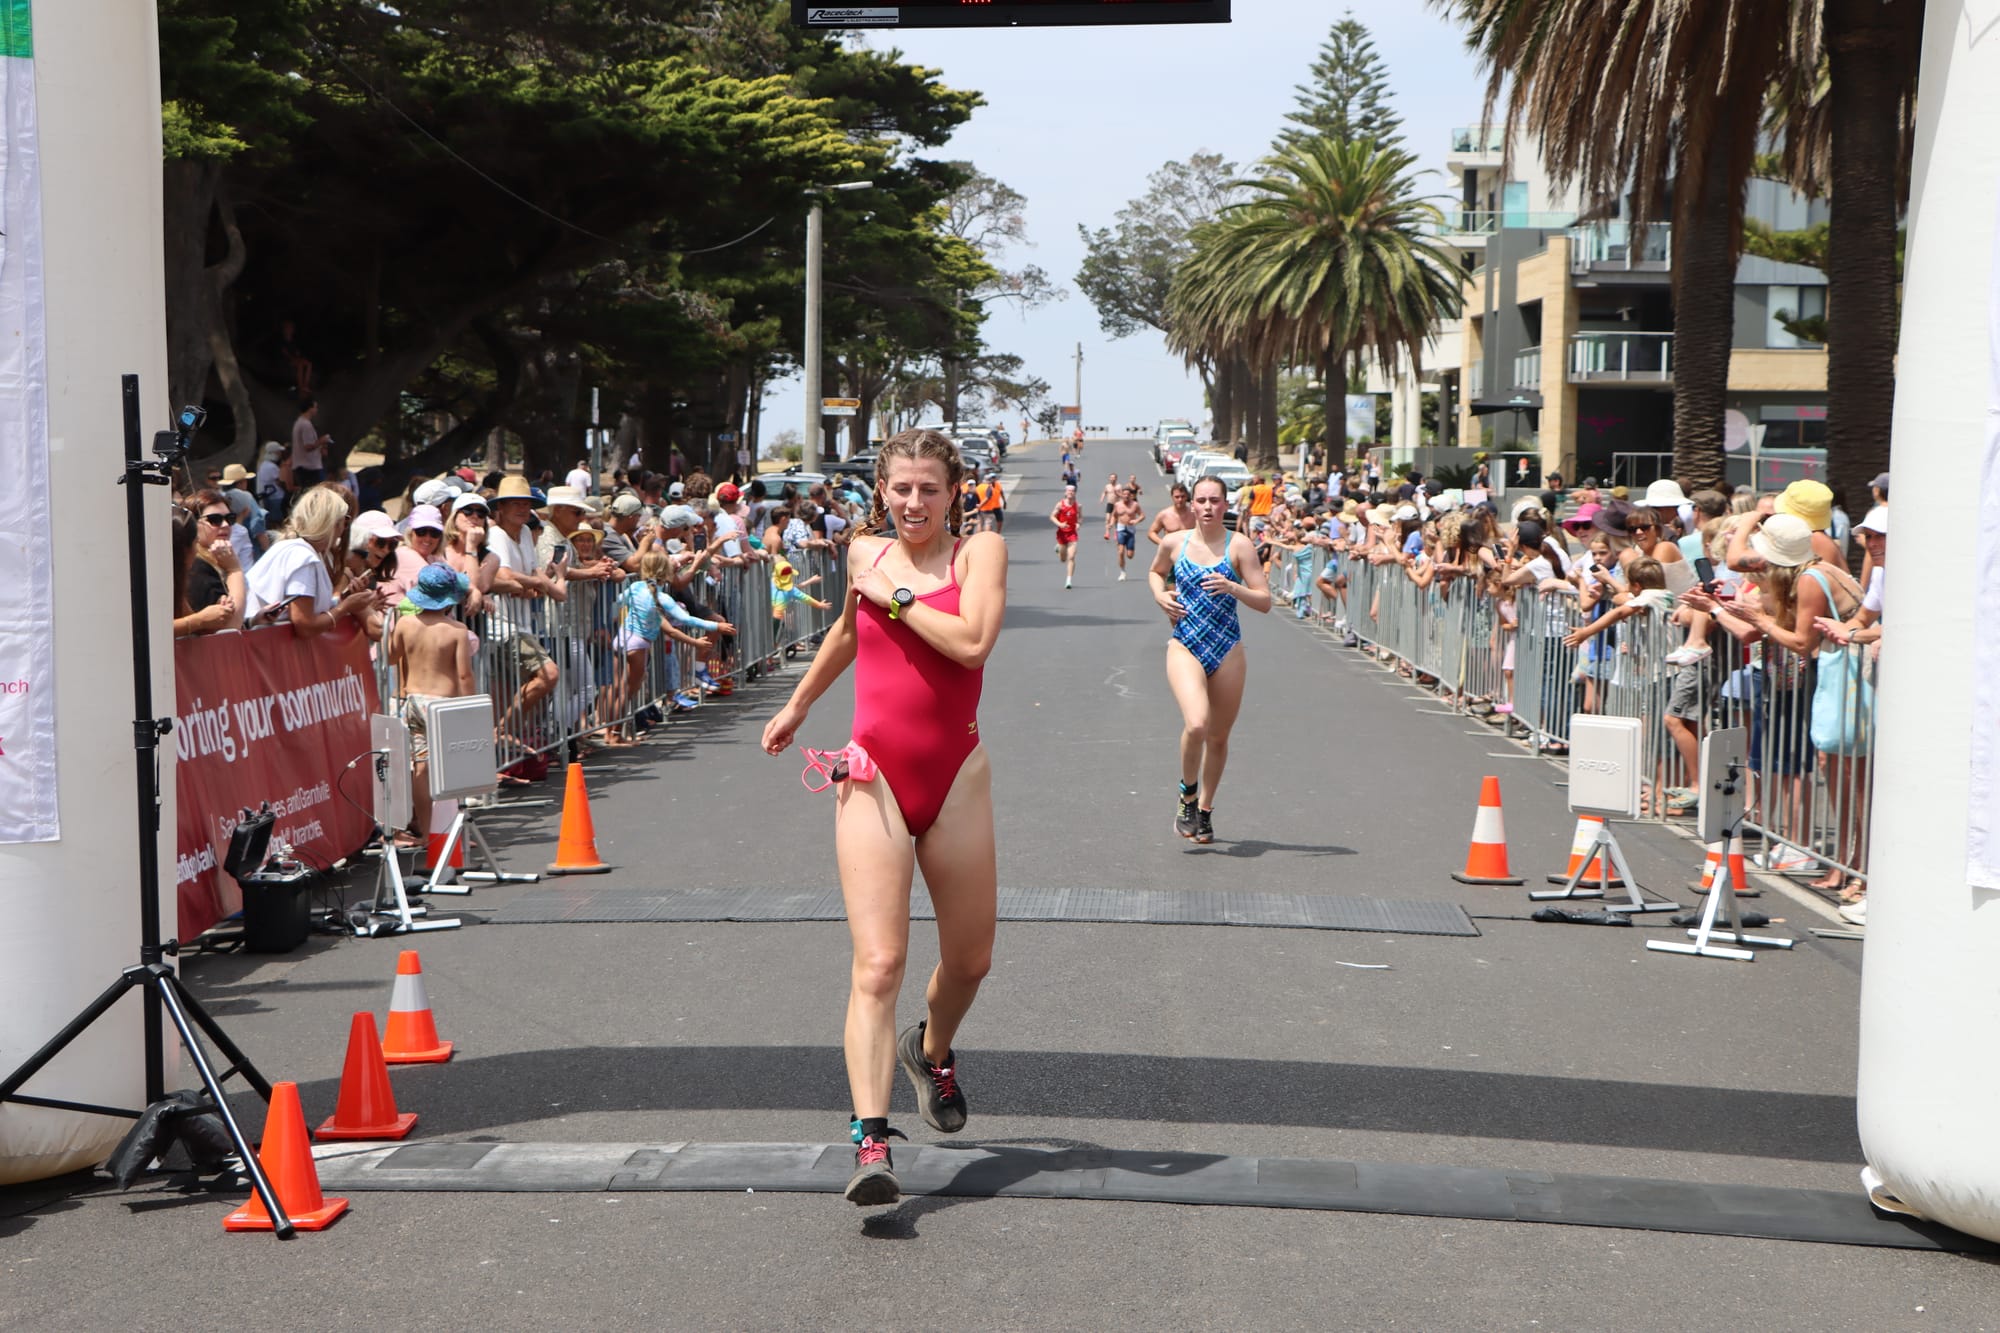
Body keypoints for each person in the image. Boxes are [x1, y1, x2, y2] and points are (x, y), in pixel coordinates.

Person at [759, 427, 1007, 1208]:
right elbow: (847, 630)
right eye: (902, 487)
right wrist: (798, 704)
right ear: (882, 491)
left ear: (954, 491)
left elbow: (972, 643)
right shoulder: (862, 553)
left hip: (956, 776)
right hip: (873, 774)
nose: (914, 501)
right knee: (878, 963)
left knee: (970, 961)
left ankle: (930, 1050)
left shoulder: (979, 554)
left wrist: (895, 595)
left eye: (930, 487)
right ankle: (871, 1140)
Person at [1147, 474, 1273, 844]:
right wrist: (1160, 596)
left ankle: (1204, 811)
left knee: (1218, 737)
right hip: (1186, 644)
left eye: (1214, 500)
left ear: (1225, 504)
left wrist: (1233, 586)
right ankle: (1187, 796)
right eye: (1201, 500)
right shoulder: (1174, 542)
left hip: (1227, 647)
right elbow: (1155, 573)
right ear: (1192, 504)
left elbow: (1264, 600)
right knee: (1197, 723)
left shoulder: (1240, 546)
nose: (1207, 507)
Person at [388, 564, 476, 847]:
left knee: (421, 768)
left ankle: (428, 833)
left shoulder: (405, 624)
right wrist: (471, 707)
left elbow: (391, 656)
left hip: (414, 701)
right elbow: (464, 675)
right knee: (453, 768)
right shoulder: (457, 631)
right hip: (443, 705)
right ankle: (451, 832)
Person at [243, 484, 374, 635]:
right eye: (345, 521)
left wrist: (343, 600)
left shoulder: (296, 549)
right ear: (332, 524)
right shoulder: (303, 557)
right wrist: (345, 608)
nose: (345, 528)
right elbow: (304, 625)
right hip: (265, 643)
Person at [289, 397, 329, 488]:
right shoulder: (306, 425)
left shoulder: (298, 422)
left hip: (303, 466)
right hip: (310, 467)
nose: (316, 410)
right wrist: (321, 441)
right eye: (315, 407)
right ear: (310, 409)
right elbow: (308, 446)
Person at [1050, 483, 1081, 589]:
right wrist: (1060, 524)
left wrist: (1078, 524)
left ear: (1075, 493)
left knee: (1071, 557)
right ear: (1065, 493)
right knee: (1063, 559)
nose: (1070, 493)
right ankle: (1059, 548)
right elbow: (1052, 516)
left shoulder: (1078, 506)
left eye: (1072, 491)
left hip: (1072, 534)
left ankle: (1068, 580)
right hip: (1062, 534)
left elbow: (1080, 517)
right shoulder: (1060, 505)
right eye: (1069, 491)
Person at [1111, 485, 1144, 580]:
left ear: (1130, 495)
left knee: (1130, 555)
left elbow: (1142, 515)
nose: (1126, 496)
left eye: (1128, 494)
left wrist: (1136, 521)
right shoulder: (1117, 505)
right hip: (1120, 529)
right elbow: (1114, 515)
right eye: (1124, 494)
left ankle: (1130, 550)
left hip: (1130, 530)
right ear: (1121, 495)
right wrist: (1111, 523)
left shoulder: (1135, 505)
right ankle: (1122, 572)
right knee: (1120, 552)